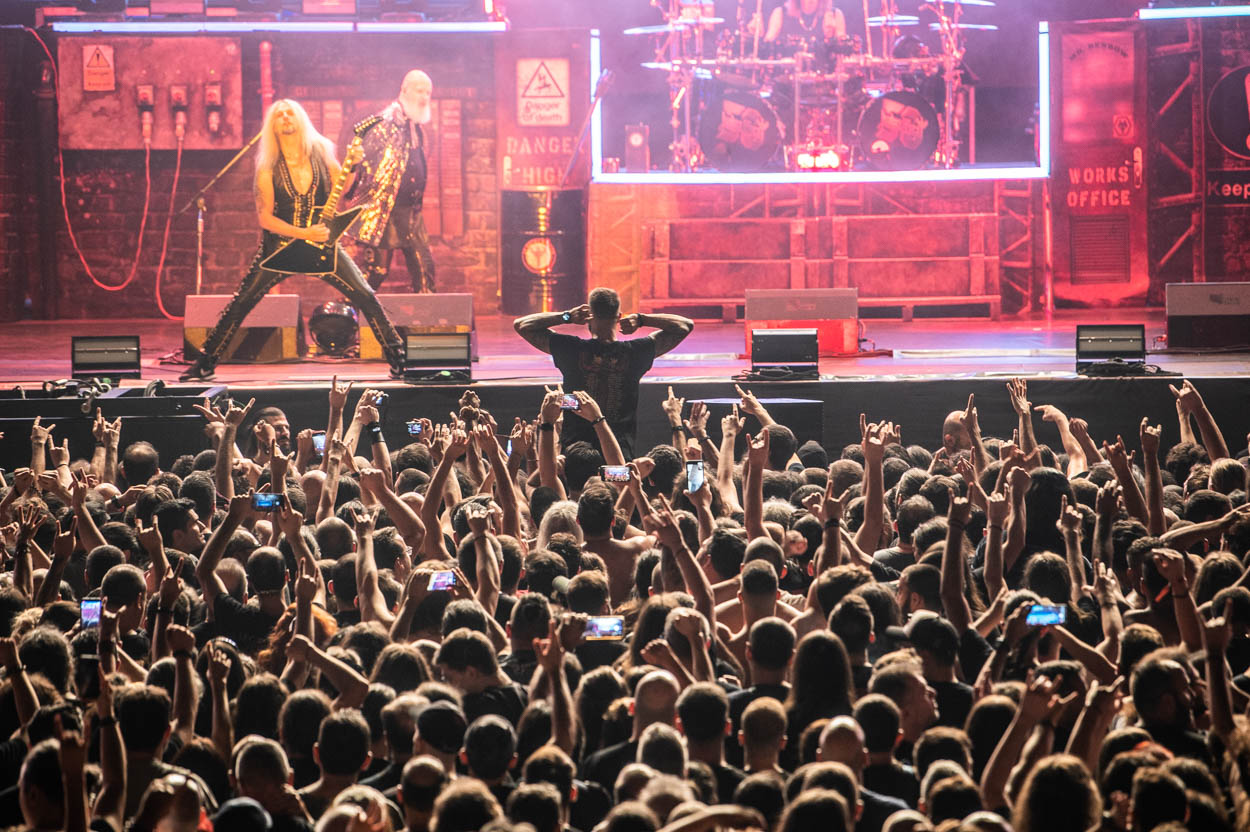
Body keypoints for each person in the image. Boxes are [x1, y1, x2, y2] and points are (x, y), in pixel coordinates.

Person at [180, 99, 405, 381]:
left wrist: (354, 166)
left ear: (301, 119)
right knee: (242, 302)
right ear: (271, 126)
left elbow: (342, 190)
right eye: (279, 115)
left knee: (365, 294)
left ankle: (397, 356)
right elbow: (266, 219)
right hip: (280, 247)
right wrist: (303, 233)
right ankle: (205, 361)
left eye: (290, 113)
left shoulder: (322, 152)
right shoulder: (267, 168)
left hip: (323, 245)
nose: (285, 118)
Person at [513, 287, 693, 457]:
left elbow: (522, 325)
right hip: (619, 460)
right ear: (619, 317)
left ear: (589, 317)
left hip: (575, 457)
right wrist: (641, 319)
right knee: (617, 490)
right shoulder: (635, 353)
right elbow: (685, 325)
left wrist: (566, 316)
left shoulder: (571, 350)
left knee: (574, 490)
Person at [348, 70, 438, 294]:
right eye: (419, 90)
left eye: (428, 92)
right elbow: (362, 165)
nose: (424, 96)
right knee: (376, 272)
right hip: (385, 211)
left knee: (424, 268)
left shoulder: (414, 125)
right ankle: (347, 316)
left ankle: (426, 325)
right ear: (404, 90)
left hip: (411, 212)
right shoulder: (385, 123)